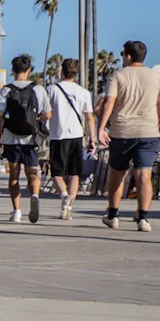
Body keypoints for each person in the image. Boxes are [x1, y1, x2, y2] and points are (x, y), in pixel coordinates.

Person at [96, 39, 160, 232]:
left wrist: (101, 128)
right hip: (148, 132)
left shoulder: (117, 76)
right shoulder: (156, 76)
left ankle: (113, 215)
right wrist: (157, 123)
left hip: (122, 132)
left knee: (118, 174)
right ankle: (143, 218)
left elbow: (109, 103)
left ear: (128, 56)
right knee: (144, 174)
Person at [0, 54, 48, 223]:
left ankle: (17, 211)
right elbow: (47, 113)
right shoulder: (38, 89)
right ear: (29, 70)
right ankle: (34, 194)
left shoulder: (6, 89)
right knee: (32, 171)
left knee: (14, 175)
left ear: (12, 70)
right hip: (31, 138)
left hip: (11, 138)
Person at [46, 56, 94, 221]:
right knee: (75, 174)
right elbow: (89, 118)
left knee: (56, 173)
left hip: (57, 135)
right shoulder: (84, 92)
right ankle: (69, 206)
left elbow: (46, 113)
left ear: (61, 71)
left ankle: (64, 196)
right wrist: (92, 139)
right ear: (77, 73)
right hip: (76, 136)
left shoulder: (51, 90)